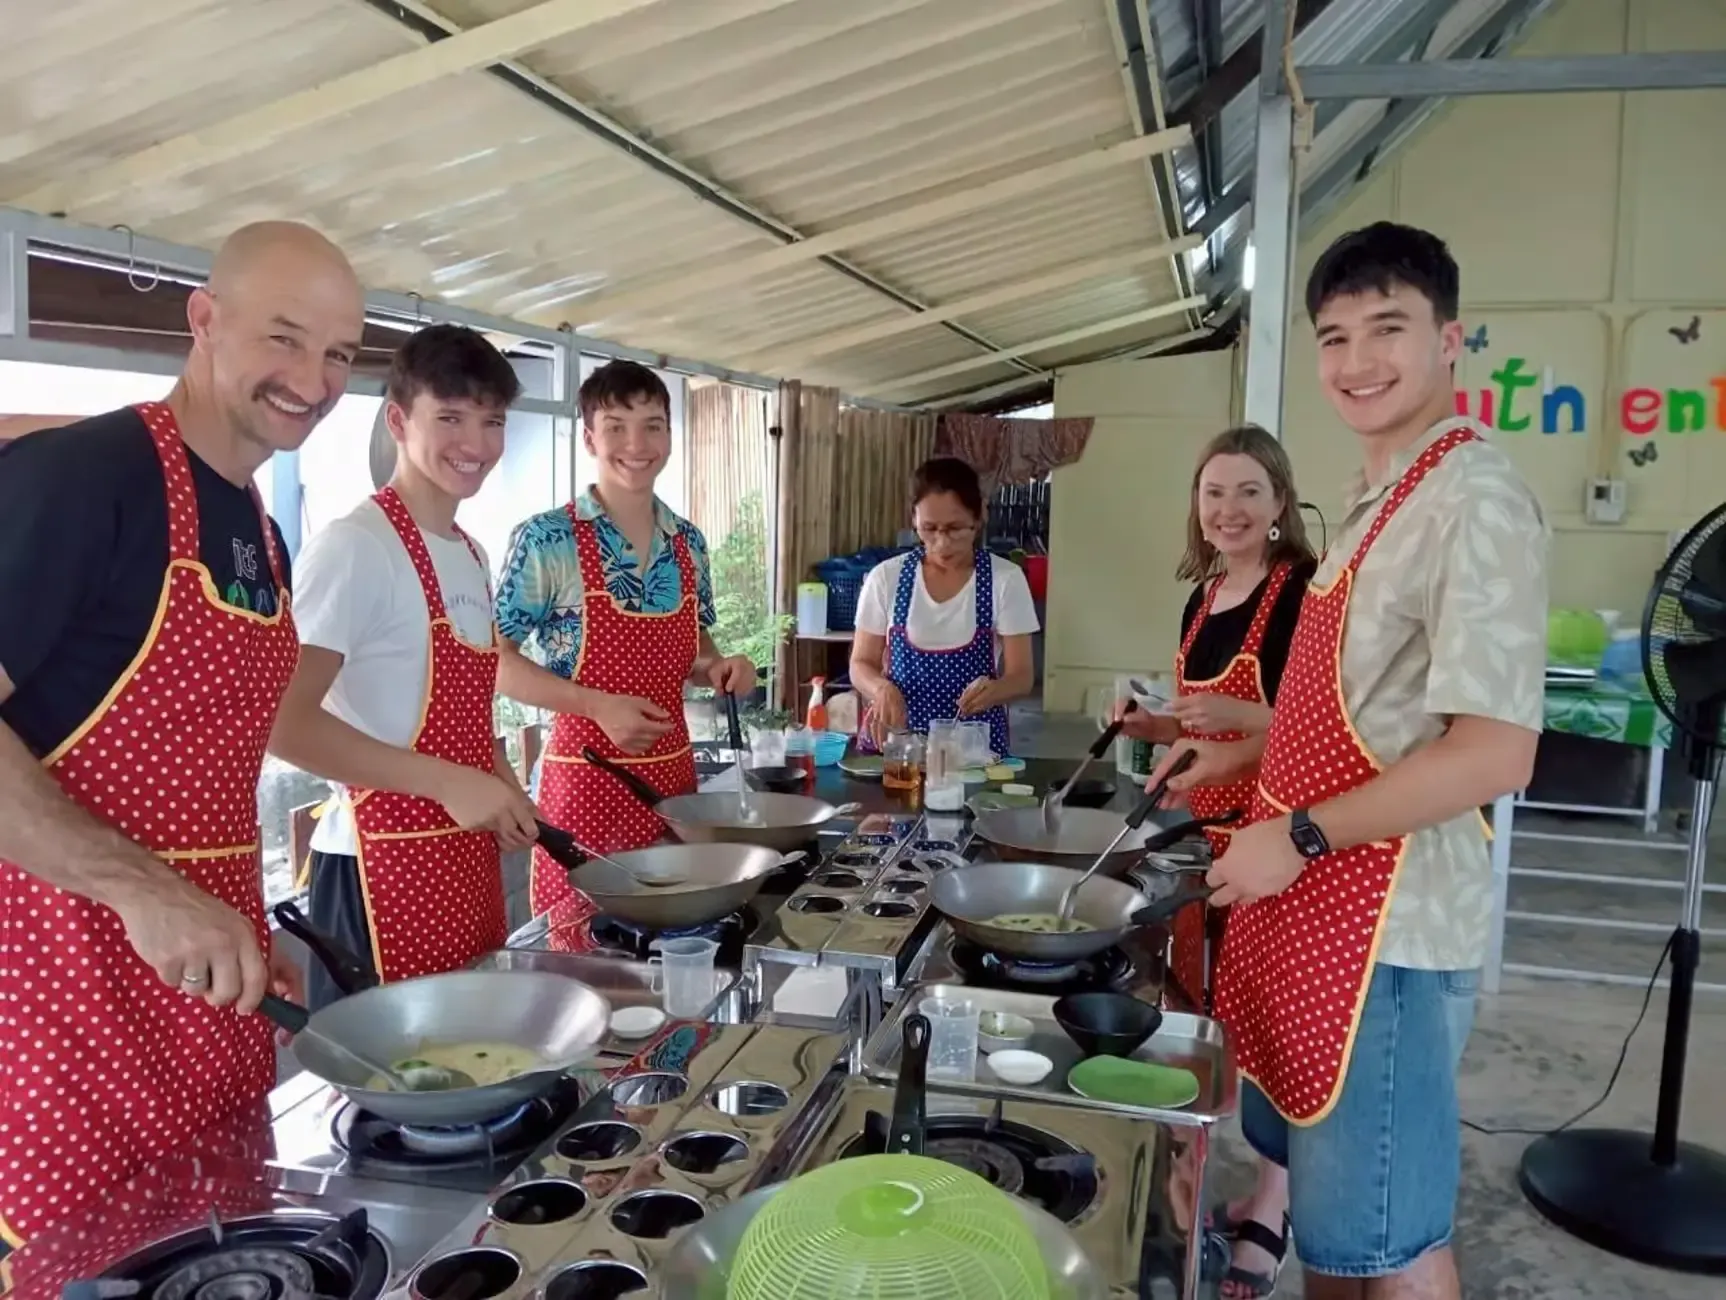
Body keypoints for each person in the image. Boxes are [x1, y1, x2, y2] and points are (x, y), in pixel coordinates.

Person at [1149, 222, 1548, 1299]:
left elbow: (1495, 751)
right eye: (1334, 336)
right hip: (1316, 915)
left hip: (1392, 929)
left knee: (1394, 1239)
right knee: (1334, 1233)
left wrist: (1302, 832)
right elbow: (1353, 722)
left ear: (1449, 339)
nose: (1357, 361)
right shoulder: (1382, 501)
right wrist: (1233, 750)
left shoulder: (1474, 501)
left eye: (1388, 328)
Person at [0, 222, 366, 1248]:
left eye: (339, 353)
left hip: (208, 1003)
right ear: (203, 320)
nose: (314, 378)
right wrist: (142, 891)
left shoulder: (259, 523)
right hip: (57, 1021)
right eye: (284, 338)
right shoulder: (84, 477)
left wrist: (228, 918)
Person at [269, 324, 539, 1009]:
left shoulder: (470, 554)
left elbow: (466, 718)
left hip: (464, 859)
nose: (475, 444)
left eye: (491, 421)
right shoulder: (356, 548)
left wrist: (506, 790)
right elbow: (284, 724)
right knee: (396, 1089)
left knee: (475, 1061)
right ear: (398, 420)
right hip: (375, 871)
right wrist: (447, 782)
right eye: (449, 417)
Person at [1113, 424, 1314, 1298]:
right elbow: (1201, 718)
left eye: (1247, 493)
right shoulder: (1202, 598)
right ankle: (1196, 1171)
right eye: (1213, 493)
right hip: (1199, 838)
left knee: (1273, 1030)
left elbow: (1316, 738)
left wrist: (1232, 752)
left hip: (1275, 844)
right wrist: (1150, 726)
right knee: (1201, 1013)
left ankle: (1275, 1201)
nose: (1228, 510)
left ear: (1279, 505)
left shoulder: (1301, 595)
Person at [494, 360, 754, 916]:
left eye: (653, 425)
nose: (636, 444)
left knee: (676, 946)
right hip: (584, 786)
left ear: (669, 435)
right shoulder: (548, 539)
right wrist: (596, 704)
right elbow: (495, 661)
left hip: (674, 791)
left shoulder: (688, 542)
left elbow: (696, 650)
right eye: (616, 426)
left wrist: (719, 667)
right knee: (585, 959)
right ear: (588, 437)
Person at [851, 456, 1039, 756]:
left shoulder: (1004, 580)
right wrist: (880, 688)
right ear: (914, 520)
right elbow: (860, 664)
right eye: (929, 528)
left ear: (978, 518)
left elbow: (1021, 676)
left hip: (973, 749)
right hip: (899, 746)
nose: (941, 542)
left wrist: (996, 691)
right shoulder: (887, 578)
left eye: (954, 529)